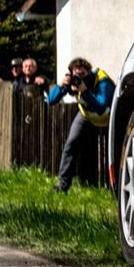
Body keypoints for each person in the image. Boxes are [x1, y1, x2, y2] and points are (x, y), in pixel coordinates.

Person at [44, 57, 114, 191]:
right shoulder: (73, 82)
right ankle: (62, 184)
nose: (79, 78)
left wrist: (84, 91)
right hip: (87, 116)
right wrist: (61, 85)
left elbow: (100, 108)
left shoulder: (102, 81)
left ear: (89, 72)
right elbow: (50, 101)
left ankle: (112, 186)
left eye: (83, 74)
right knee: (71, 143)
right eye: (76, 75)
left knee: (114, 150)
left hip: (109, 117)